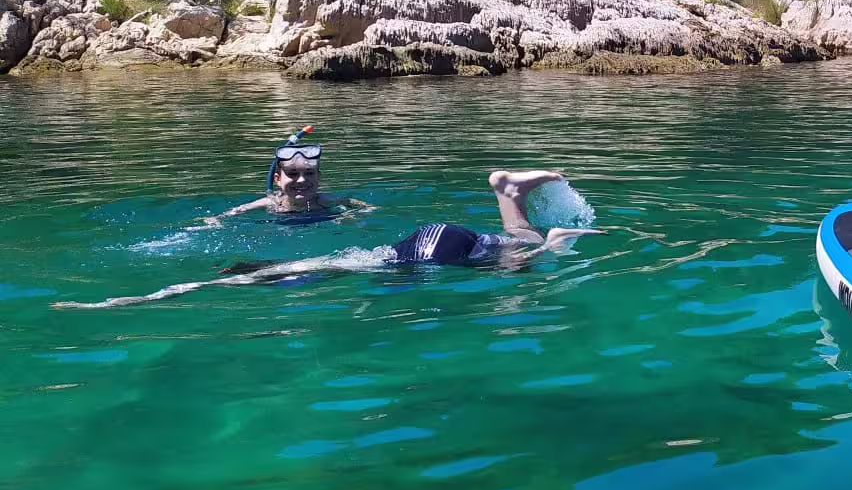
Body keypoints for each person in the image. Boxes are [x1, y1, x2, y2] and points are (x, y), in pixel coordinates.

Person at [61, 169, 597, 310]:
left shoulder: (342, 265)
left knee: (522, 262)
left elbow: (204, 286)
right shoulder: (348, 259)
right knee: (511, 249)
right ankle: (509, 193)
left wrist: (143, 297)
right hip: (429, 242)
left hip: (427, 251)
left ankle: (552, 239)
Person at [385, 170, 587, 265]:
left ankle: (548, 244)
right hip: (433, 237)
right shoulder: (369, 258)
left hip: (434, 251)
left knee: (517, 263)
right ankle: (510, 194)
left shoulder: (373, 267)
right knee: (511, 245)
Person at [206, 129, 373, 225]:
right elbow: (239, 210)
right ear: (277, 179)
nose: (301, 180)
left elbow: (359, 205)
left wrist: (354, 215)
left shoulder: (324, 200)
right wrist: (217, 220)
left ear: (318, 178)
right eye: (293, 174)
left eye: (309, 173)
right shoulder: (272, 202)